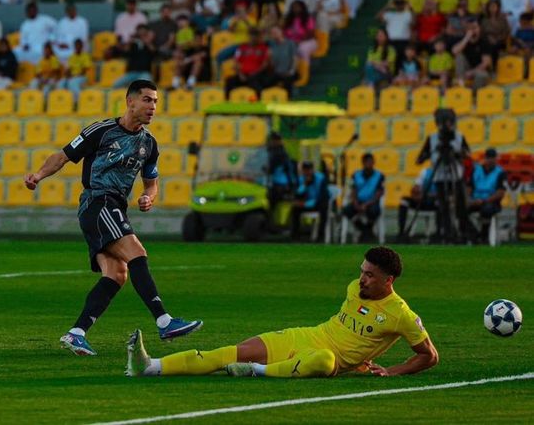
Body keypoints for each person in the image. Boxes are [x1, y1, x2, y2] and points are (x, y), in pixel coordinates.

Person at [24, 80, 203, 356]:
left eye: (155, 101)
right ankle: (164, 321)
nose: (152, 107)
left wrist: (148, 196)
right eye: (146, 100)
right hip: (98, 202)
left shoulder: (149, 144)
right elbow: (63, 156)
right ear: (130, 101)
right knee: (137, 252)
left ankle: (76, 333)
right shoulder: (101, 131)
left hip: (114, 206)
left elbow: (151, 181)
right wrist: (38, 175)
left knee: (117, 274)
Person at [126, 246, 438, 379]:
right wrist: (361, 358)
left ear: (389, 280)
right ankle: (149, 366)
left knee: (324, 360)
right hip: (306, 336)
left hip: (327, 358)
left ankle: (255, 372)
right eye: (362, 271)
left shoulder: (401, 315)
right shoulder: (354, 288)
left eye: (370, 275)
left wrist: (392, 371)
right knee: (226, 353)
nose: (362, 278)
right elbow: (353, 330)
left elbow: (429, 356)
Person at [417, 108, 470, 242]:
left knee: (460, 206)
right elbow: (420, 158)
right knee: (443, 206)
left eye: (448, 122)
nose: (445, 126)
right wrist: (432, 152)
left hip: (456, 177)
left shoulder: (459, 136)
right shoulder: (432, 138)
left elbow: (468, 154)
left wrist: (458, 154)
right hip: (439, 177)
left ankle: (463, 232)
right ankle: (446, 233)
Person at [466, 148, 507, 242]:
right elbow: (469, 187)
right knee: (461, 209)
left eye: (493, 158)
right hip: (475, 199)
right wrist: (469, 199)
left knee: (487, 209)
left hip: (491, 201)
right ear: (485, 158)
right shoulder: (476, 170)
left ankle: (484, 235)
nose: (491, 160)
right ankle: (474, 234)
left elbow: (500, 193)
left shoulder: (500, 172)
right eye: (489, 157)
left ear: (496, 159)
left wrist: (484, 201)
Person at [342, 153, 385, 241]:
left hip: (371, 202)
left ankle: (366, 231)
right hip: (358, 201)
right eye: (367, 162)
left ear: (374, 162)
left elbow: (379, 193)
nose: (369, 164)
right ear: (363, 163)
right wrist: (355, 203)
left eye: (371, 162)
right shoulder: (356, 175)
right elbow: (353, 190)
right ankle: (365, 230)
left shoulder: (379, 176)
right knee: (346, 210)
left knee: (374, 211)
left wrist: (366, 204)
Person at [397, 167, 439, 241]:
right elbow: (415, 188)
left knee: (441, 204)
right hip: (422, 201)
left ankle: (439, 233)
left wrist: (428, 195)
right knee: (404, 201)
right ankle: (401, 232)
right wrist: (416, 195)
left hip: (434, 203)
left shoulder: (444, 174)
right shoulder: (425, 172)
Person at [290, 161, 329, 240]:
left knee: (324, 208)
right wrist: (305, 184)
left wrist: (306, 204)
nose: (307, 172)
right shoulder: (301, 179)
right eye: (305, 170)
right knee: (295, 209)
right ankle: (296, 235)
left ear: (312, 169)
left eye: (309, 169)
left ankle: (321, 236)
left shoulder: (321, 178)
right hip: (307, 203)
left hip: (318, 203)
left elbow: (323, 197)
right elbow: (298, 194)